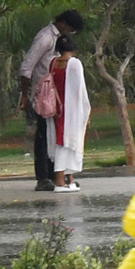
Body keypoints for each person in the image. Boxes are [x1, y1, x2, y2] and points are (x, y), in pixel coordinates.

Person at [19, 10, 85, 192]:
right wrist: (25, 96)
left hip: (58, 97)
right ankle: (43, 177)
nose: (70, 34)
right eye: (70, 29)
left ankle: (57, 174)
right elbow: (27, 68)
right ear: (63, 24)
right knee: (43, 136)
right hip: (44, 96)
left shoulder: (59, 40)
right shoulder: (45, 38)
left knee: (55, 135)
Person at [45, 35, 91, 193]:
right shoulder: (75, 63)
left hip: (56, 107)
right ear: (73, 49)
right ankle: (60, 181)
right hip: (71, 109)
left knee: (59, 140)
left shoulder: (52, 62)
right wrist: (86, 110)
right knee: (67, 142)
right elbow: (80, 89)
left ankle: (68, 177)